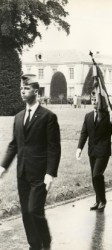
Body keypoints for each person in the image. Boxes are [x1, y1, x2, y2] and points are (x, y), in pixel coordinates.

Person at [0, 74, 61, 250]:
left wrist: (50, 173)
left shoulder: (48, 117)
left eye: (26, 88)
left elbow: (53, 147)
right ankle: (34, 245)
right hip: (23, 174)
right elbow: (14, 145)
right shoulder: (18, 117)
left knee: (35, 210)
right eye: (21, 88)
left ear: (36, 91)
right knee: (26, 213)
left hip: (40, 174)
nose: (22, 91)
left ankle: (45, 242)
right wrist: (3, 166)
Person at [76, 101, 112, 211]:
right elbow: (84, 133)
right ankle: (98, 200)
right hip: (92, 151)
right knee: (94, 177)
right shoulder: (88, 116)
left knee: (97, 174)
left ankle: (102, 200)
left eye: (96, 99)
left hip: (103, 151)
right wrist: (79, 148)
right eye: (92, 99)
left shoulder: (107, 116)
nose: (94, 102)